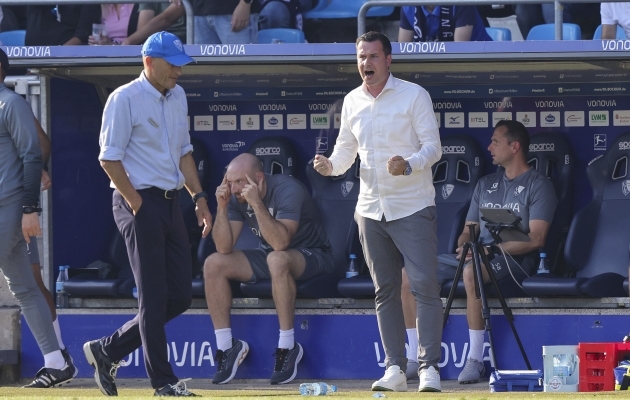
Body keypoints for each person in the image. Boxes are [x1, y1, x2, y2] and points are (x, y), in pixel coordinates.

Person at [83, 31, 212, 397]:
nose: (179, 72)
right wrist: (135, 202)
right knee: (153, 298)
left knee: (181, 297)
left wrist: (199, 198)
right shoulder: (123, 98)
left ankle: (106, 350)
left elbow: (185, 153)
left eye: (181, 65)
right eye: (172, 65)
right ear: (149, 62)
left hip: (172, 202)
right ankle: (164, 384)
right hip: (136, 201)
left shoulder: (178, 96)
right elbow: (109, 158)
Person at [313, 31, 443, 392]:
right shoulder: (352, 101)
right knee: (384, 290)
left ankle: (430, 367)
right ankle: (396, 369)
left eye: (372, 57)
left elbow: (434, 148)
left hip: (413, 205)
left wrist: (409, 164)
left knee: (423, 287)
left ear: (388, 60)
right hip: (370, 209)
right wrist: (330, 167)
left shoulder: (414, 95)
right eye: (360, 57)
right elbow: (344, 153)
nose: (365, 64)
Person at [439, 120, 556, 384]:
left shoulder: (539, 184)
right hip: (477, 253)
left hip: (514, 259)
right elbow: (470, 229)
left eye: (495, 142)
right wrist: (465, 245)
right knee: (409, 275)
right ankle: (413, 360)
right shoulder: (485, 183)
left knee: (471, 274)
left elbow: (536, 239)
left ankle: (475, 360)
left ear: (515, 147)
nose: (489, 147)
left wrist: (487, 250)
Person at [204, 152, 333, 385]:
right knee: (213, 264)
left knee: (277, 258)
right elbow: (224, 247)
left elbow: (280, 243)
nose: (233, 189)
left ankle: (287, 345)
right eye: (229, 182)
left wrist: (256, 203)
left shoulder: (287, 189)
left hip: (312, 255)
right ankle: (226, 347)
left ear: (259, 178)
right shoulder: (234, 196)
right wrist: (221, 208)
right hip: (271, 255)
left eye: (239, 182)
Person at [0, 48, 76, 388]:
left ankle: (56, 359)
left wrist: (31, 209)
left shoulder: (11, 103)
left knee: (26, 288)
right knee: (24, 289)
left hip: (11, 207)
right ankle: (56, 361)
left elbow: (33, 156)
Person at [398, 5, 492, 42]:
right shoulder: (408, 6)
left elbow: (460, 53)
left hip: (478, 62)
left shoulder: (462, 3)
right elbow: (402, 50)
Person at [25, 4, 101, 46]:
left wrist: (55, 58)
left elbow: (82, 36)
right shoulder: (37, 7)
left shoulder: (89, 4)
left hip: (68, 60)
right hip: (36, 60)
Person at [192, 0, 260, 44]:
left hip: (233, 11)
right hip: (200, 12)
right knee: (204, 65)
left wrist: (245, 3)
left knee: (241, 63)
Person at [122, 1, 186, 45]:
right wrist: (127, 44)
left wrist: (128, 42)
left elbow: (166, 19)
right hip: (157, 42)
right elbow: (143, 30)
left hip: (182, 41)